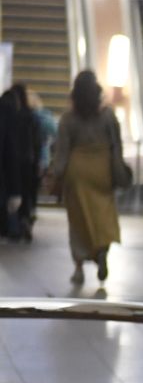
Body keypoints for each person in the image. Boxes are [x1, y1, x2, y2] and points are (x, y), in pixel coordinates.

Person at [47, 70, 129, 286]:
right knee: (103, 214)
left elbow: (62, 152)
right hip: (101, 169)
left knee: (78, 221)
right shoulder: (108, 115)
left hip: (77, 172)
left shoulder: (68, 118)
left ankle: (79, 266)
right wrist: (118, 170)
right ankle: (102, 250)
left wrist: (56, 174)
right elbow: (116, 145)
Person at [0, 84, 44, 243]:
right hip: (27, 161)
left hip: (12, 162)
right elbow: (37, 142)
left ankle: (13, 226)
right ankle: (24, 219)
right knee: (25, 195)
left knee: (10, 194)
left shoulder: (10, 114)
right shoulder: (31, 116)